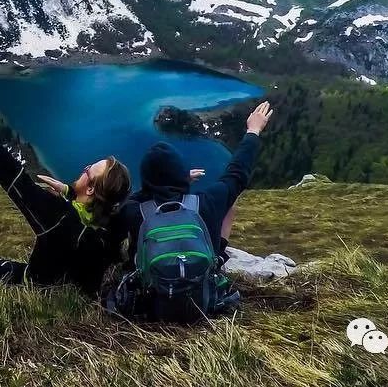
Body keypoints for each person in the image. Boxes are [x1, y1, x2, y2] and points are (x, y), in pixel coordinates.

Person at [0, 84, 132, 296]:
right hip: (68, 295)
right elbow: (94, 213)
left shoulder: (58, 216)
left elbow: (9, 173)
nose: (84, 169)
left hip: (33, 289)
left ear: (91, 189)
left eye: (88, 171)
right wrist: (69, 192)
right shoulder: (110, 228)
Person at [110, 100, 273, 318]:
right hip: (202, 299)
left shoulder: (133, 211)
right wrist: (253, 130)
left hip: (150, 305)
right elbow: (237, 174)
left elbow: (131, 201)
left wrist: (157, 187)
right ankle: (218, 256)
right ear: (179, 171)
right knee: (230, 206)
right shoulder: (206, 202)